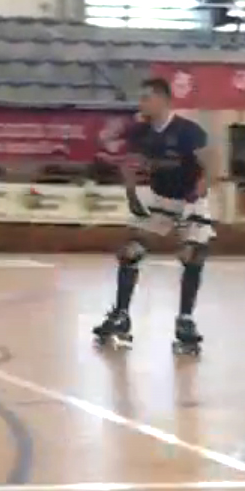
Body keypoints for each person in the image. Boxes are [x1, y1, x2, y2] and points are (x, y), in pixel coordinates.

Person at [92, 78, 213, 356]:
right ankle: (121, 315)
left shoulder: (188, 131)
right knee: (130, 251)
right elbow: (129, 164)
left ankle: (185, 319)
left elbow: (211, 162)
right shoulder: (140, 132)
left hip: (190, 199)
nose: (141, 103)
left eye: (146, 98)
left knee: (193, 254)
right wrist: (131, 192)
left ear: (163, 100)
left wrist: (202, 187)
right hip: (159, 199)